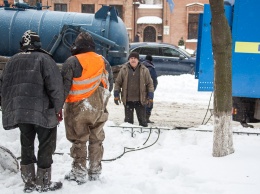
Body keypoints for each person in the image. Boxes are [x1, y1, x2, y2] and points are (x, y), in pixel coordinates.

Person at [0, 30, 64, 192]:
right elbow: (56, 87)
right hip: (42, 112)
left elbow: (4, 87)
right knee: (46, 146)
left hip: (21, 113)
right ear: (38, 44)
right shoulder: (45, 59)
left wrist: (9, 108)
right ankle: (43, 183)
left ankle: (29, 183)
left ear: (22, 44)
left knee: (26, 145)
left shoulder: (12, 61)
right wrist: (58, 108)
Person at [61, 31, 111, 184]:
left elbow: (63, 87)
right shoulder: (103, 61)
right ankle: (95, 171)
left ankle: (79, 172)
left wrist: (57, 106)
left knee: (79, 139)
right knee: (96, 139)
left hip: (78, 107)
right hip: (99, 106)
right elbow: (110, 84)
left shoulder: (72, 61)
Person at [114, 52, 154, 127]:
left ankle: (143, 136)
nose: (133, 60)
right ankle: (128, 137)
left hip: (140, 100)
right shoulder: (124, 69)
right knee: (128, 123)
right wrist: (116, 94)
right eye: (131, 58)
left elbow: (150, 84)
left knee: (143, 122)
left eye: (135, 58)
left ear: (138, 60)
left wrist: (150, 96)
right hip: (128, 100)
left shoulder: (144, 70)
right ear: (129, 59)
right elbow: (118, 83)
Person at [142, 55, 158, 123]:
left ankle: (142, 117)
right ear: (151, 60)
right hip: (149, 88)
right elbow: (154, 79)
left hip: (141, 88)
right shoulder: (151, 68)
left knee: (142, 102)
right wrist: (153, 88)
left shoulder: (140, 66)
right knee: (149, 102)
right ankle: (146, 118)